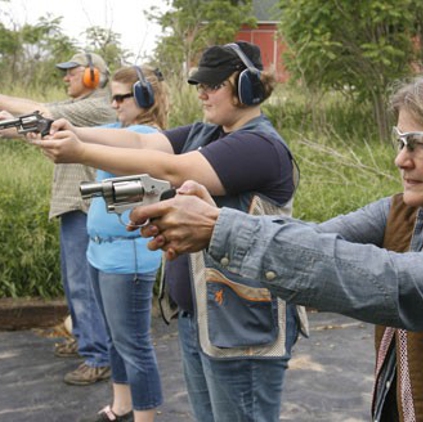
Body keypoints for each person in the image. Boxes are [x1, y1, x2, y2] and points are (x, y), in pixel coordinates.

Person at [126, 66, 423, 421]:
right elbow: (315, 240)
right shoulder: (407, 212)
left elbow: (399, 284)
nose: (401, 159)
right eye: (401, 141)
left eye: (419, 143)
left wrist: (221, 228)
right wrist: (217, 221)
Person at [34, 41, 308, 422]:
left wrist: (81, 152)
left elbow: (173, 169)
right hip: (203, 318)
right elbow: (140, 139)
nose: (202, 93)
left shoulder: (259, 146)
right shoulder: (209, 132)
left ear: (247, 88)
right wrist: (73, 132)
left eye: (213, 85)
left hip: (242, 327)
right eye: (199, 85)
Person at [0, 52, 115, 385]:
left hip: (85, 207)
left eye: (72, 73)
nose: (65, 78)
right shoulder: (79, 112)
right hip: (72, 206)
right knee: (73, 283)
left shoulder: (99, 107)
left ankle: (98, 357)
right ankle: (84, 339)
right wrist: (9, 127)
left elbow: (42, 113)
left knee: (84, 286)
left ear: (94, 76)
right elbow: (42, 130)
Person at [81, 65, 168, 422]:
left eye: (122, 97)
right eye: (111, 96)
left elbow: (93, 145)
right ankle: (121, 406)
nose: (114, 104)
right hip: (101, 251)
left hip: (126, 257)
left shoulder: (146, 138)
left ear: (146, 98)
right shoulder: (118, 131)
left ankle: (145, 418)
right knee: (116, 339)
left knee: (134, 346)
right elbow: (82, 134)